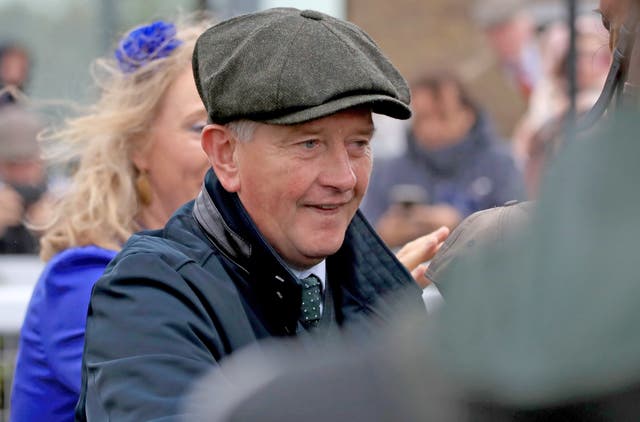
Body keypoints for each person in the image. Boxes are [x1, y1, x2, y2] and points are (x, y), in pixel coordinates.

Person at [75, 8, 448, 420]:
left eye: (359, 144)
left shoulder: (376, 296)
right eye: (309, 144)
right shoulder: (149, 296)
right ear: (225, 154)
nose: (344, 177)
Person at [10, 18, 212, 422]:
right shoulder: (89, 280)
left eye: (236, 127)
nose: (223, 148)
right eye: (200, 127)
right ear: (138, 144)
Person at [362, 71, 525, 248]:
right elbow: (357, 239)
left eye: (442, 116)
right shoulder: (387, 171)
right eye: (422, 117)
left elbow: (521, 232)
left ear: (468, 116)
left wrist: (461, 225)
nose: (431, 128)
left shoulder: (501, 165)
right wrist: (381, 235)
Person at [0, 105, 52, 254]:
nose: (21, 173)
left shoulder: (61, 195)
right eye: (13, 164)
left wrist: (57, 232)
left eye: (28, 163)